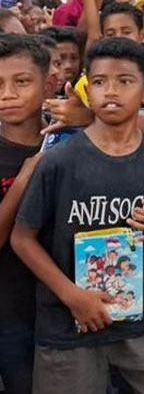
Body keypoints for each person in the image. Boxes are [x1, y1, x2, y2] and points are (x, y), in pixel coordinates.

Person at [11, 37, 144, 393]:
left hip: (142, 322)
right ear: (88, 89)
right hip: (68, 324)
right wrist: (72, 296)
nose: (111, 91)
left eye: (125, 81)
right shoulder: (60, 160)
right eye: (100, 82)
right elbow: (22, 238)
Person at [0, 35, 55, 394]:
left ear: (48, 84)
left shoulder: (70, 140)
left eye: (21, 81)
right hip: (11, 309)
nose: (7, 94)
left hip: (66, 307)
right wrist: (22, 181)